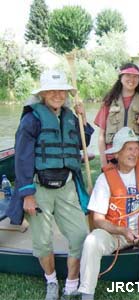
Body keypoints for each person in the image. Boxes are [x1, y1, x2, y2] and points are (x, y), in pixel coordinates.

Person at [6, 70, 94, 300]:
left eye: (61, 91)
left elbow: (83, 142)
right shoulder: (31, 119)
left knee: (79, 236)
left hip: (66, 187)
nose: (57, 94)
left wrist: (83, 119)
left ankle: (72, 283)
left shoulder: (70, 117)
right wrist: (27, 195)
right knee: (43, 243)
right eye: (52, 90)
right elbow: (22, 158)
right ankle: (52, 281)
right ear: (43, 93)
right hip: (40, 188)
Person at [78, 127, 139, 300]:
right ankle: (87, 293)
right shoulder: (104, 179)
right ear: (116, 154)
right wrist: (122, 231)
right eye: (129, 149)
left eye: (136, 148)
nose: (134, 153)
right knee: (92, 241)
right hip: (115, 232)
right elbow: (98, 220)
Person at [94, 63, 139, 167]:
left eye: (135, 76)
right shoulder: (109, 101)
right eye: (128, 75)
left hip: (138, 157)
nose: (131, 79)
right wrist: (103, 163)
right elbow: (101, 135)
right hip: (113, 157)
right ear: (121, 78)